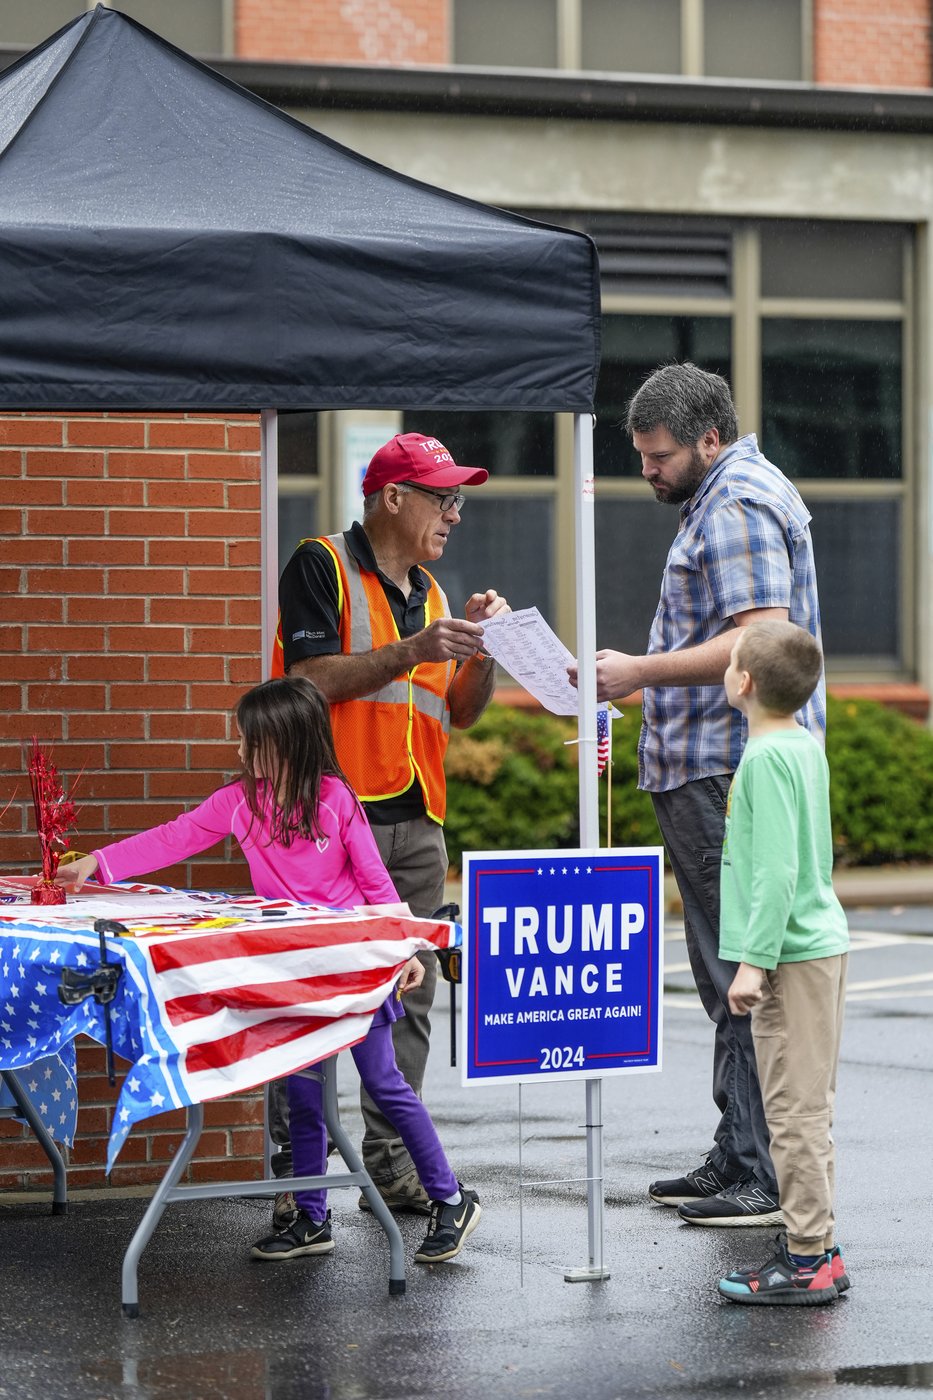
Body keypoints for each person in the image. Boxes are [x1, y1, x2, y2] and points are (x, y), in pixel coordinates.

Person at [56, 676, 482, 1267]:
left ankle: (451, 1197)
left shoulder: (336, 801)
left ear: (287, 742)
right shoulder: (239, 801)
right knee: (303, 1094)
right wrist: (98, 864)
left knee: (384, 1084)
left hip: (354, 967)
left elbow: (376, 885)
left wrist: (406, 949)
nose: (240, 751)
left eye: (250, 741)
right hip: (293, 972)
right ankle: (311, 1216)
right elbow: (174, 838)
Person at [571, 362, 824, 1226]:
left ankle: (755, 1173)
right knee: (721, 973)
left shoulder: (738, 502)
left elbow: (758, 639)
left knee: (739, 971)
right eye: (641, 453)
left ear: (708, 439)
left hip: (723, 768)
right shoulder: (723, 495)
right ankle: (736, 1153)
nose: (648, 469)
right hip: (710, 764)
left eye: (659, 454)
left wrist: (636, 672)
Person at [270, 431, 507, 1223]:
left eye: (458, 500)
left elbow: (460, 714)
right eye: (443, 498)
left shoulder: (435, 596)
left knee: (408, 996)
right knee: (312, 996)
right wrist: (412, 649)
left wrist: (485, 655)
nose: (454, 514)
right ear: (393, 498)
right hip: (332, 821)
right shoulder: (320, 563)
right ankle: (294, 1175)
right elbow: (306, 681)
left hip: (417, 819)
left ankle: (394, 1164)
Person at [716, 620, 849, 1304]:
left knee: (791, 1113)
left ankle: (805, 1262)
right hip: (817, 945)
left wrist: (751, 963)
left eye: (731, 657)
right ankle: (815, 1242)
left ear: (742, 683)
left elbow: (772, 872)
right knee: (808, 1107)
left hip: (790, 955)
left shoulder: (763, 760)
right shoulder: (800, 744)